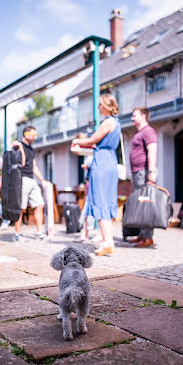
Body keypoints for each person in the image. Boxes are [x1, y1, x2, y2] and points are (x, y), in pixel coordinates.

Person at [72, 94, 120, 256]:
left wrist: (77, 142)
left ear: (107, 106)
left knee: (100, 200)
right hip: (109, 160)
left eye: (100, 104)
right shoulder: (116, 122)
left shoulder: (108, 122)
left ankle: (108, 243)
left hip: (102, 162)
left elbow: (93, 140)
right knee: (106, 201)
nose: (98, 107)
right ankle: (108, 241)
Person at [12, 126, 48, 241]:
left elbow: (34, 167)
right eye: (33, 135)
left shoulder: (31, 149)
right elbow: (21, 163)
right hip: (21, 179)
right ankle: (17, 233)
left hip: (31, 179)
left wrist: (42, 180)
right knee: (21, 207)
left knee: (39, 204)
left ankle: (39, 232)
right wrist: (20, 149)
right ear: (26, 134)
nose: (35, 138)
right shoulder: (17, 146)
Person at [129, 107, 158, 247]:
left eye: (134, 115)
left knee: (146, 204)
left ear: (143, 116)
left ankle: (148, 237)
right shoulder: (139, 132)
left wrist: (151, 172)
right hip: (137, 173)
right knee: (140, 205)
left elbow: (152, 151)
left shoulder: (148, 131)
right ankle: (142, 234)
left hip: (144, 172)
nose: (132, 118)